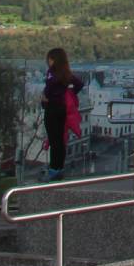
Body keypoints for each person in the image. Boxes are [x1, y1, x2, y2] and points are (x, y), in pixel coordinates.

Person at [41, 47, 83, 181]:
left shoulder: (52, 73)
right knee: (60, 140)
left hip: (52, 109)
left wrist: (46, 98)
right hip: (62, 110)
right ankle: (59, 168)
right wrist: (68, 95)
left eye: (49, 59)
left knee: (54, 140)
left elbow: (48, 91)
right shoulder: (66, 73)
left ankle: (53, 169)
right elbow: (79, 84)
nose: (48, 62)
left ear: (53, 59)